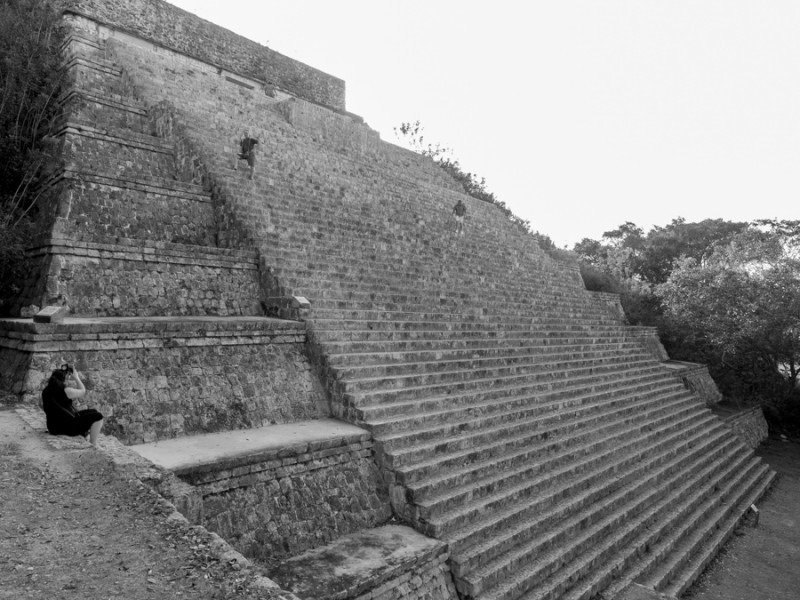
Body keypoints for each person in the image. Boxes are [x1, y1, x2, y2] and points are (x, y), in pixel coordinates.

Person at [42, 365, 103, 446]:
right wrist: (76, 377)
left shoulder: (45, 391)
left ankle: (85, 435)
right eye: (67, 379)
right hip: (66, 427)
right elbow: (82, 391)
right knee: (98, 416)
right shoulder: (66, 391)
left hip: (53, 427)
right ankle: (93, 443)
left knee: (93, 411)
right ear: (64, 380)